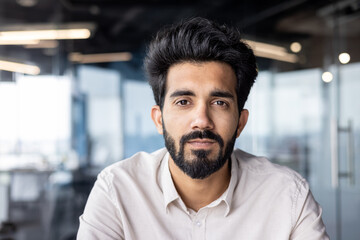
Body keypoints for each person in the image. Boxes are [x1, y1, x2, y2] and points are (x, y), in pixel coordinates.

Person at [77, 17, 329, 240]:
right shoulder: (117, 190)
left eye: (219, 103)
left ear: (240, 122)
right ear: (158, 119)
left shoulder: (287, 195)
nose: (202, 120)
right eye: (183, 102)